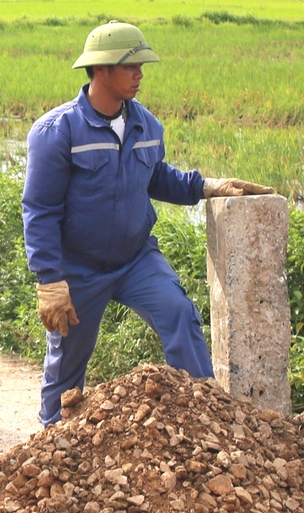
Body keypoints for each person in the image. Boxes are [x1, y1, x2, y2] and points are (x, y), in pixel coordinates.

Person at [22, 21, 274, 425]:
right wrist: (50, 279)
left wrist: (208, 186)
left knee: (178, 312)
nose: (140, 74)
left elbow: (156, 177)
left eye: (141, 65)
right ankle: (52, 439)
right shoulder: (59, 131)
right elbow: (40, 208)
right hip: (79, 266)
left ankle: (208, 420)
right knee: (67, 360)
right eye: (131, 66)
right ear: (101, 70)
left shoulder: (145, 125)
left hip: (135, 259)